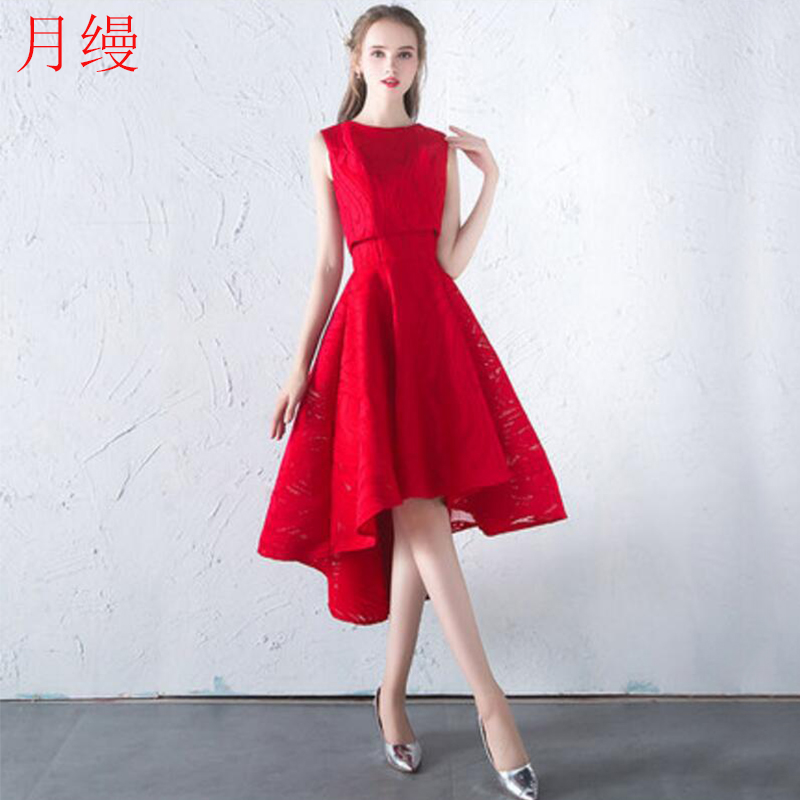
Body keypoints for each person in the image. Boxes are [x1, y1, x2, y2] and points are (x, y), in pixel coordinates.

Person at [257, 6, 568, 799]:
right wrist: (298, 368)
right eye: (378, 53)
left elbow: (449, 261)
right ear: (356, 61)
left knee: (416, 517)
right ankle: (490, 703)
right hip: (367, 338)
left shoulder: (436, 150)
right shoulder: (331, 147)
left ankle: (392, 696)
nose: (391, 66)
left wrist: (493, 180)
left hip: (431, 336)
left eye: (405, 54)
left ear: (420, 63)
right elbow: (328, 266)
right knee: (418, 514)